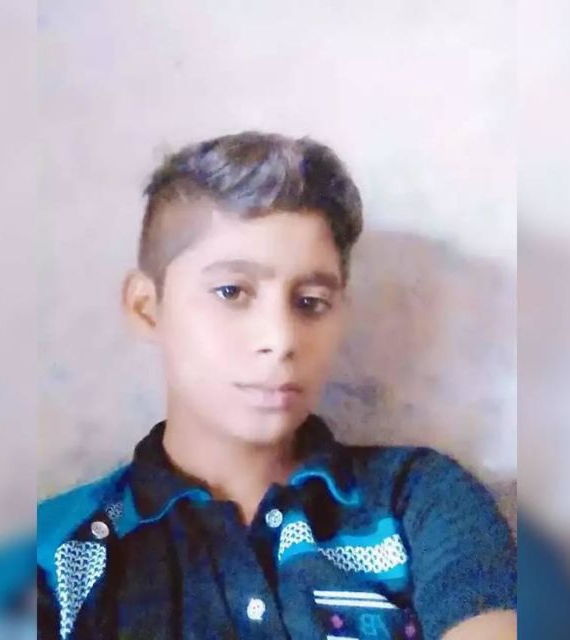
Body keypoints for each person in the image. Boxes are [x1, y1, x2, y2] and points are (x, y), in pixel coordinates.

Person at [37, 132, 517, 639]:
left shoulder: (418, 501)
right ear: (147, 307)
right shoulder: (57, 554)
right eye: (231, 292)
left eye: (310, 302)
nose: (281, 339)